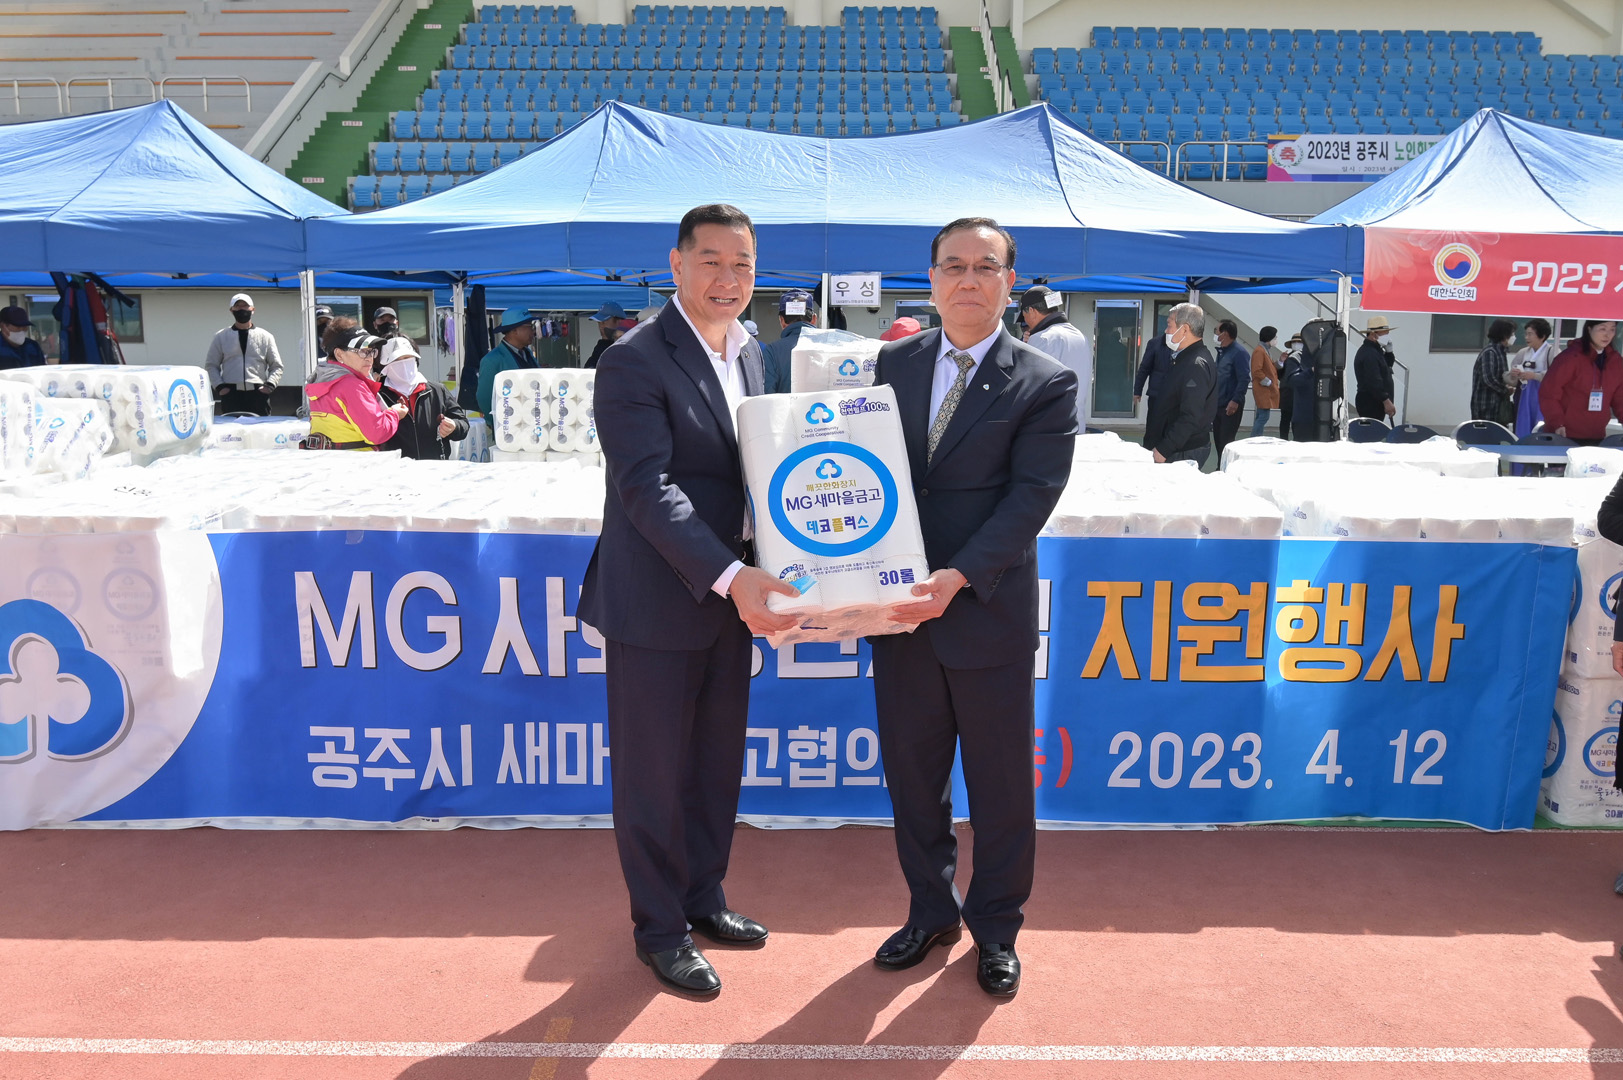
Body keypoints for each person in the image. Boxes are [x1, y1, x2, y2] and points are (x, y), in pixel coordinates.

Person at [578, 204, 798, 999]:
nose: (728, 279)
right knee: (652, 775)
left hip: (730, 598)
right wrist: (733, 576)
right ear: (675, 265)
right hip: (659, 600)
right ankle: (659, 929)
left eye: (742, 264)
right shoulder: (634, 359)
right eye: (711, 261)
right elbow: (647, 488)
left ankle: (703, 898)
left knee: (713, 765)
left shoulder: (753, 354)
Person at [868, 217, 1078, 999]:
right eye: (951, 266)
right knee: (912, 779)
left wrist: (956, 576)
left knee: (999, 788)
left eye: (983, 267)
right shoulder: (893, 363)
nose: (966, 280)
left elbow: (1030, 499)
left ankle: (995, 928)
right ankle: (929, 912)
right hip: (899, 613)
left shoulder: (1043, 381)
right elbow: (868, 471)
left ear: (1007, 283)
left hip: (984, 610)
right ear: (929, 280)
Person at [304, 322, 407, 450]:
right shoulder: (351, 385)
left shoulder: (321, 380)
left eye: (372, 352)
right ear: (339, 354)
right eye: (363, 352)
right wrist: (395, 413)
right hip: (357, 459)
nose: (370, 358)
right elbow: (377, 432)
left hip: (326, 458)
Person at [1144, 303, 1219, 465]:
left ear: (1184, 329)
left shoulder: (1195, 364)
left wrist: (1164, 448)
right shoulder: (1184, 358)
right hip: (1175, 446)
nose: (1166, 331)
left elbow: (1191, 415)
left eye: (1169, 325)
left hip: (1182, 451)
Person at [378, 337, 469, 460]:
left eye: (407, 358)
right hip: (397, 467)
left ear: (415, 360)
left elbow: (463, 423)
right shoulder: (379, 396)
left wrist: (454, 426)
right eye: (397, 360)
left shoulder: (437, 390)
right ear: (385, 367)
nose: (403, 364)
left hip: (435, 466)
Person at [1018, 285, 1093, 422]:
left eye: (1024, 315)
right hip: (1076, 420)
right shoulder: (1081, 336)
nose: (1026, 321)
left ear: (1032, 311)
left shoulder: (1042, 338)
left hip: (1048, 424)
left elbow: (1029, 385)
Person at [1543, 321, 1623, 445]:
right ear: (1589, 329)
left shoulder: (1615, 360)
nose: (1607, 334)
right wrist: (1556, 423)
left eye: (1612, 329)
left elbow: (1620, 398)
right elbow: (1549, 393)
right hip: (1564, 434)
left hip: (1597, 434)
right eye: (1602, 329)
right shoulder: (1570, 357)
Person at [205, 292, 282, 417]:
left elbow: (277, 366)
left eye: (245, 306)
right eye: (237, 306)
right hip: (231, 393)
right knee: (230, 428)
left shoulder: (266, 336)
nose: (241, 309)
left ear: (253, 309)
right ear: (231, 310)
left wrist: (269, 385)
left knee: (261, 427)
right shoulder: (221, 336)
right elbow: (211, 365)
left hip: (258, 393)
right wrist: (220, 387)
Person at [475, 307, 540, 416]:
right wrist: (497, 422)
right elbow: (485, 399)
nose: (533, 332)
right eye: (529, 326)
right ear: (514, 330)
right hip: (508, 423)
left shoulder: (527, 354)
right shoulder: (492, 360)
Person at [760, 288, 818, 394]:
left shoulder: (772, 351)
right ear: (814, 319)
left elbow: (767, 395)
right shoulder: (830, 346)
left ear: (781, 320)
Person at [1510, 318, 1556, 438]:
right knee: (1523, 423)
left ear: (1542, 336)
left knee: (1541, 424)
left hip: (1543, 394)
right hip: (1524, 394)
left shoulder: (1552, 351)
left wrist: (1535, 376)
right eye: (1526, 334)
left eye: (1530, 334)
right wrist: (1515, 373)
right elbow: (1513, 369)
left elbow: (1557, 375)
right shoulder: (1523, 352)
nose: (1527, 337)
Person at [1211, 319, 1249, 458]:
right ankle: (1219, 466)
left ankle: (1225, 467)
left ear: (1225, 334)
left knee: (1226, 441)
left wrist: (1235, 400)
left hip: (1230, 404)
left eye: (1216, 330)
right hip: (1219, 403)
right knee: (1218, 439)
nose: (1215, 334)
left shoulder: (1239, 353)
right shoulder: (1222, 352)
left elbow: (1244, 378)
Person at [1469, 319, 1518, 424]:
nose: (1514, 337)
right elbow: (1488, 379)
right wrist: (1505, 390)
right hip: (1486, 406)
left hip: (1497, 406)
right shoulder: (1490, 352)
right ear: (1504, 335)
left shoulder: (1500, 352)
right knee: (1487, 433)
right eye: (1512, 334)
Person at [1352, 316, 1397, 422]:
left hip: (1376, 402)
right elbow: (1374, 380)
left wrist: (1389, 352)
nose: (1387, 337)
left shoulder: (1376, 351)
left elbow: (1387, 366)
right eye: (1385, 334)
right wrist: (1386, 400)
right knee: (1371, 430)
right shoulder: (1369, 354)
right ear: (1373, 334)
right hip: (1370, 402)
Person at [1249, 325, 1280, 439]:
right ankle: (1255, 438)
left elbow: (1269, 367)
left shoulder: (1264, 350)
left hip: (1265, 389)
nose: (1276, 339)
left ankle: (1255, 437)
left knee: (1261, 416)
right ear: (1269, 337)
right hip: (1263, 389)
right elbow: (1256, 370)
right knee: (1263, 416)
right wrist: (1268, 382)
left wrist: (1280, 362)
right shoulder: (1260, 351)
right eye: (1275, 337)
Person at [1133, 326, 1172, 414]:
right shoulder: (1155, 343)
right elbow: (1144, 368)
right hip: (1157, 393)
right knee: (1154, 420)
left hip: (1176, 395)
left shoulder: (1183, 344)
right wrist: (1137, 391)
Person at [586, 302, 629, 368]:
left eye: (604, 322)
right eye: (599, 323)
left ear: (619, 322)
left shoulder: (626, 346)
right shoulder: (601, 346)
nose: (601, 326)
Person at [1277, 334, 1303, 439]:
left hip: (1297, 392)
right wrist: (1281, 362)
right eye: (1294, 342)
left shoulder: (1303, 357)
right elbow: (1279, 374)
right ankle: (1283, 439)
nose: (1296, 344)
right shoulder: (1287, 357)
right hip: (1287, 392)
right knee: (1285, 418)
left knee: (1296, 420)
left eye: (1299, 342)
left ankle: (1296, 439)